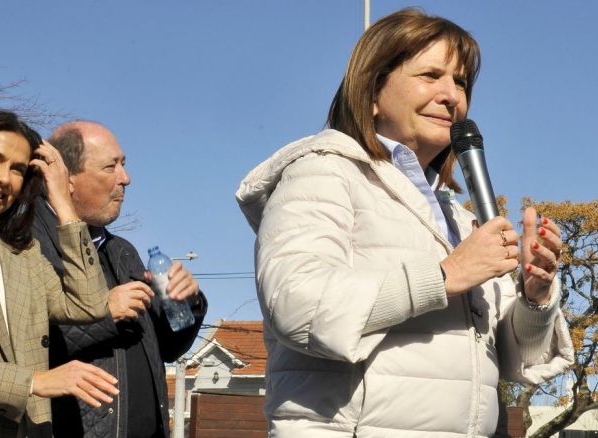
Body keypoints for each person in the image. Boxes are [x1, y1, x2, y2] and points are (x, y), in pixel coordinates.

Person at [236, 9, 574, 437]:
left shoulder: (458, 216)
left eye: (461, 82)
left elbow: (513, 360)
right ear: (373, 91)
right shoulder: (322, 173)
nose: (452, 95)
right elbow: (297, 305)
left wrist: (534, 296)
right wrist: (445, 275)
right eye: (431, 75)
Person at [31, 120, 208, 438]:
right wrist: (104, 313)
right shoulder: (31, 240)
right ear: (66, 178)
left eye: (123, 165)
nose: (125, 178)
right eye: (110, 167)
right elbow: (28, 337)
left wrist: (187, 305)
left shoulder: (122, 250)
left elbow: (165, 348)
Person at [0, 110, 120, 437]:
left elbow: (91, 304)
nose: (3, 178)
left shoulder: (21, 253)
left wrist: (64, 204)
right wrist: (34, 382)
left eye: (18, 169)